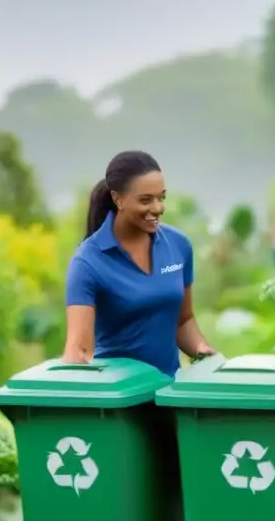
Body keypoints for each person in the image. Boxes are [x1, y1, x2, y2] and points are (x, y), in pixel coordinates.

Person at [63, 150, 215, 377]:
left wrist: (201, 350)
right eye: (146, 200)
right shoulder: (88, 262)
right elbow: (80, 351)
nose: (157, 208)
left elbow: (183, 321)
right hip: (117, 397)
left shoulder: (178, 245)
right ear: (118, 199)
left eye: (161, 197)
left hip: (168, 391)